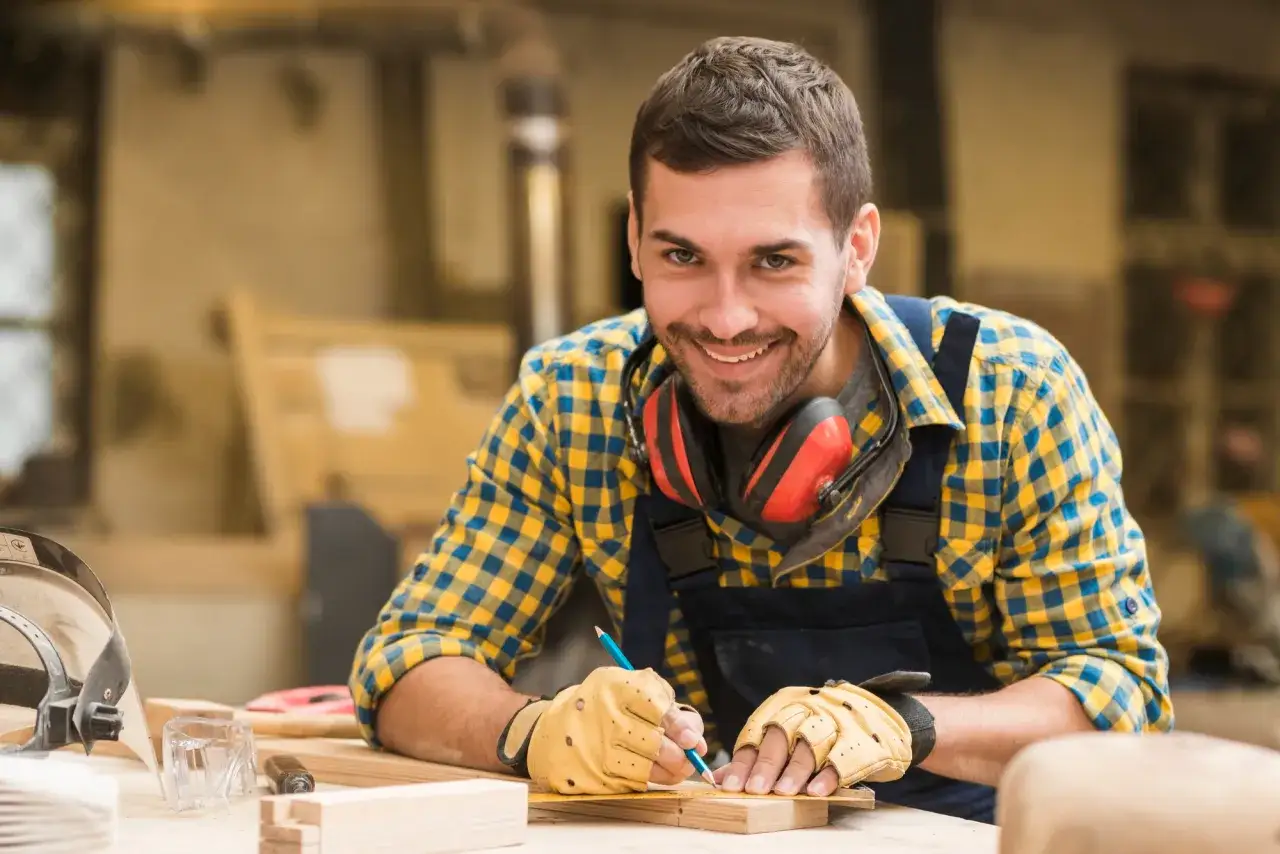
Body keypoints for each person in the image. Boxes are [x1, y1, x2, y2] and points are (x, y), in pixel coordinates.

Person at [348, 35, 1173, 824]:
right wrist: (535, 733)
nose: (725, 317)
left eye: (773, 262)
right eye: (682, 258)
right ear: (634, 239)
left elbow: (1121, 698)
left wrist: (906, 727)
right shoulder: (573, 400)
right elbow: (406, 663)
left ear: (857, 249)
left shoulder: (1011, 391)